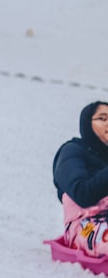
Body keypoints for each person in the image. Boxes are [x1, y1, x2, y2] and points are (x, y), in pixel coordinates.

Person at [52, 102, 108, 258]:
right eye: (102, 118)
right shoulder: (72, 151)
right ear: (87, 124)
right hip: (85, 226)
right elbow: (82, 193)